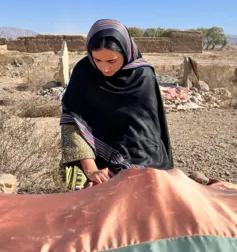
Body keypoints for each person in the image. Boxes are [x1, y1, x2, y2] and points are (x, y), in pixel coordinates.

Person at [60, 19, 173, 191]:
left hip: (140, 158)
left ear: (126, 52)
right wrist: (92, 171)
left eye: (112, 61)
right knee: (80, 194)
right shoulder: (84, 72)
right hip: (90, 158)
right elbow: (72, 123)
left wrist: (118, 170)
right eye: (97, 60)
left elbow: (143, 134)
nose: (104, 69)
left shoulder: (142, 76)